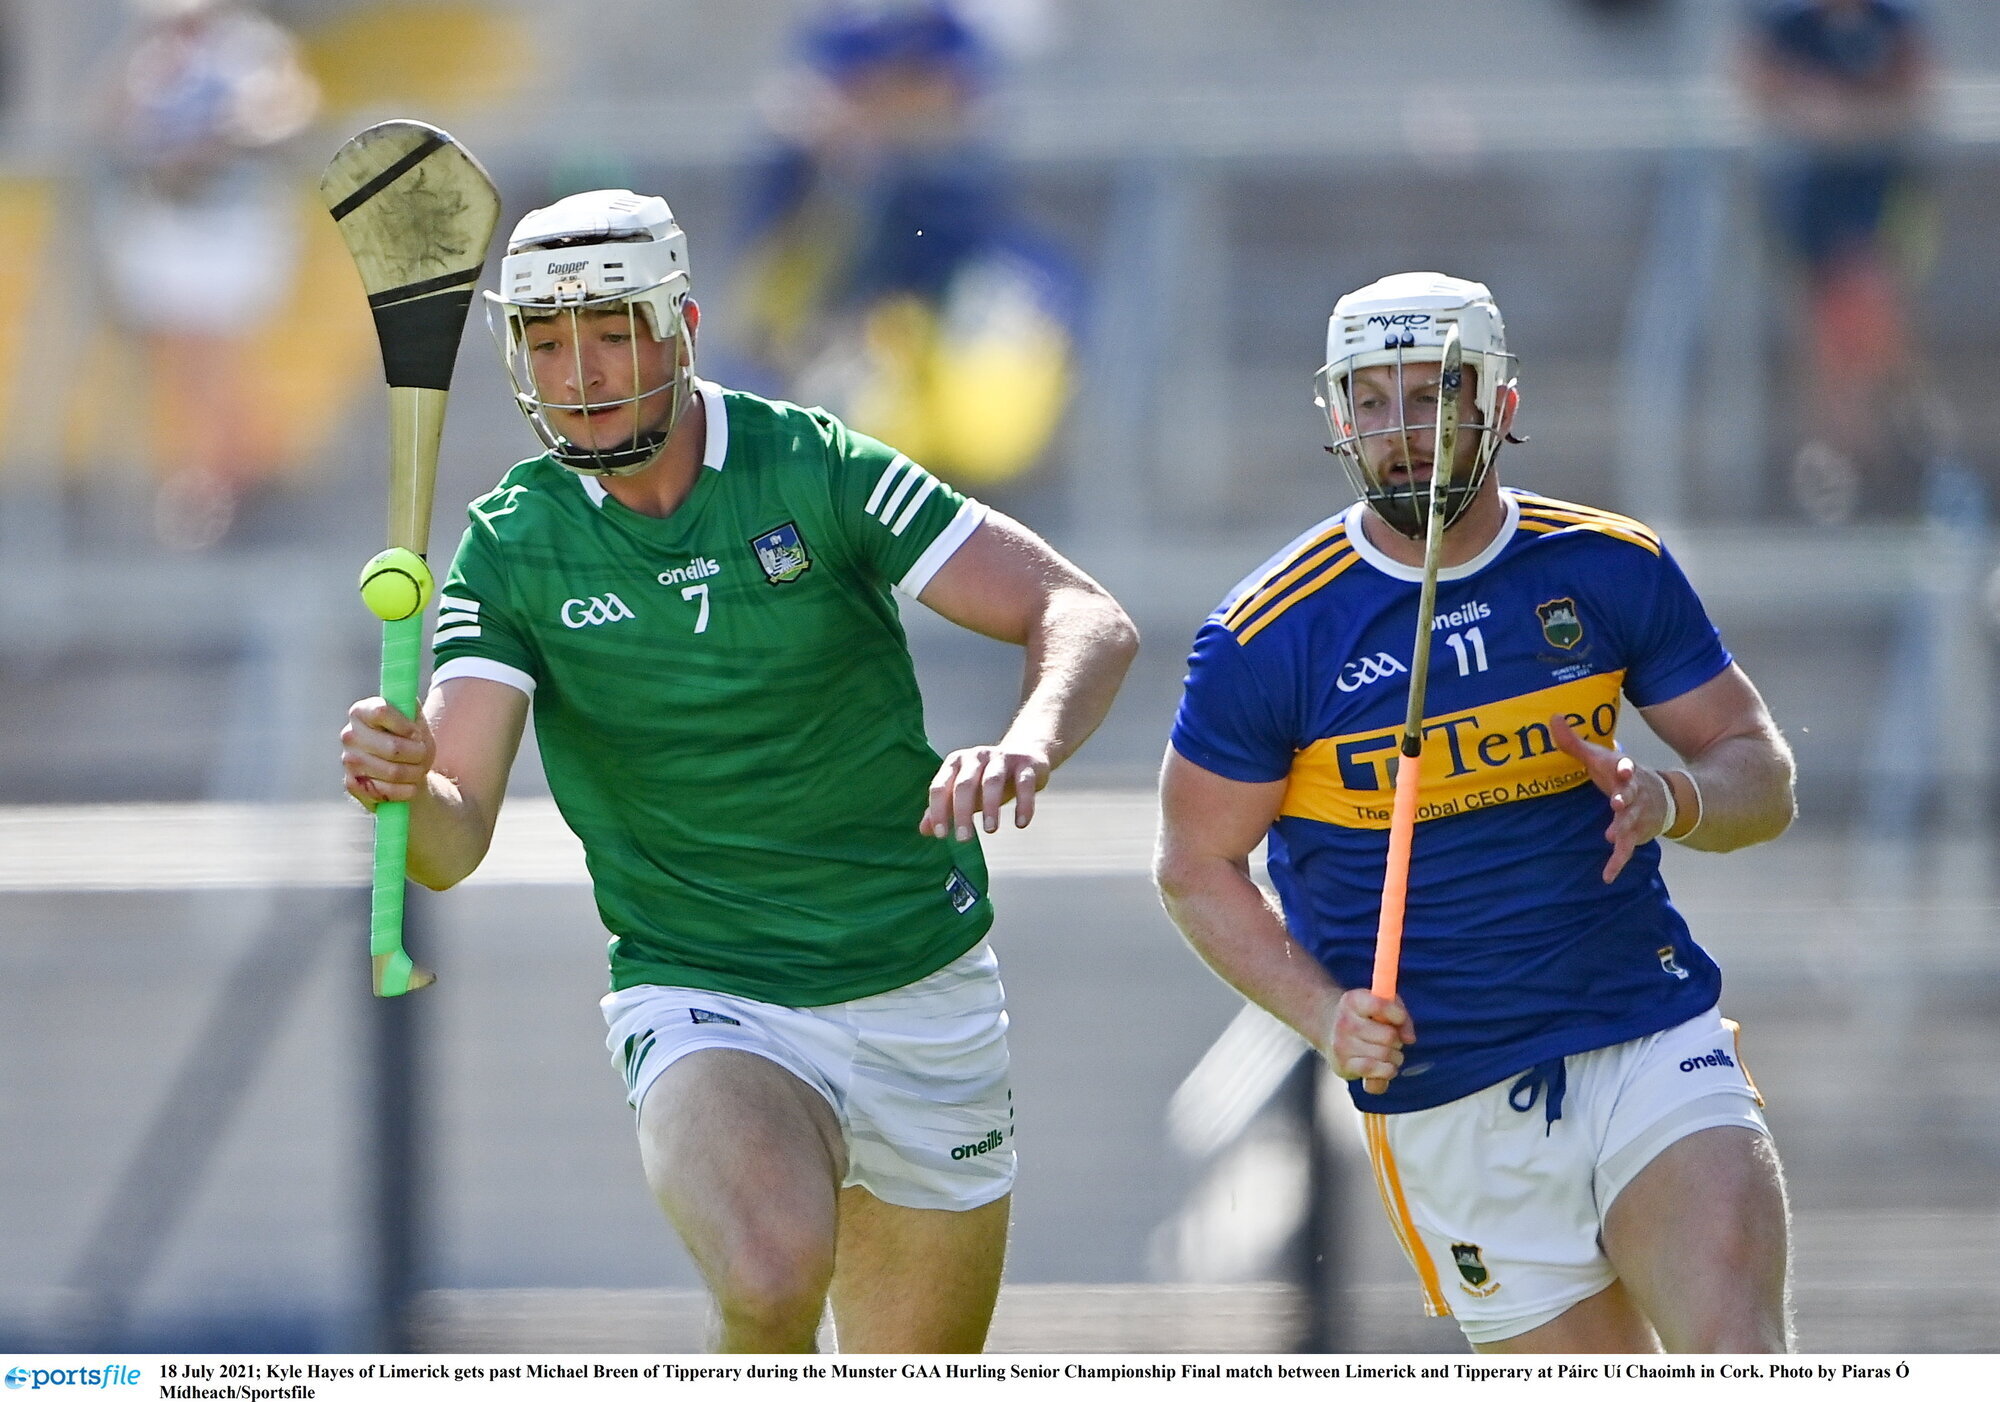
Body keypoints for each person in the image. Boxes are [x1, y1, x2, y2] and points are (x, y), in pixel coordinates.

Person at [340, 189, 1138, 1352]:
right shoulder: (510, 548)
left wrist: (1030, 739)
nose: (578, 371)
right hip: (706, 991)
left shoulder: (813, 465)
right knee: (769, 1272)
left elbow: (1079, 613)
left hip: (922, 979)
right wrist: (407, 785)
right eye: (546, 342)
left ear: (682, 328)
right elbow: (451, 844)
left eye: (609, 331)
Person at [1154, 272, 1797, 1353]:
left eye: (1431, 395)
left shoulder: (1607, 565)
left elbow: (1758, 771)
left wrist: (1673, 797)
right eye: (1371, 400)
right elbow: (1192, 866)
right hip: (1446, 1090)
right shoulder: (1266, 633)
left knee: (1736, 1346)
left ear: (1499, 404)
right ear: (1336, 415)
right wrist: (1321, 1015)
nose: (1401, 432)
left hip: (1643, 1031)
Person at [723, 1, 1078, 494]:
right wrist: (828, 177)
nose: (891, 108)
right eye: (865, 88)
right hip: (852, 463)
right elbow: (762, 318)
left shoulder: (995, 238)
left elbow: (990, 438)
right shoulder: (807, 188)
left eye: (914, 84)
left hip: (969, 452)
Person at [94, 0, 319, 548]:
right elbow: (111, 122)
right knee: (182, 361)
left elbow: (289, 113)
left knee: (218, 359)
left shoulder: (250, 49)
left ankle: (236, 484)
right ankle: (211, 482)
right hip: (169, 221)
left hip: (232, 224)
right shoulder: (148, 57)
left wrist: (221, 137)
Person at [1739, 0, 1934, 523]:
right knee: (1826, 336)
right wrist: (1812, 109)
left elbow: (1915, 89)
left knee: (1871, 315)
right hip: (1811, 207)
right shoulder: (1788, 24)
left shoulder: (1891, 22)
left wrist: (1851, 116)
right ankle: (1842, 462)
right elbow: (1755, 83)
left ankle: (1896, 453)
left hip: (1877, 201)